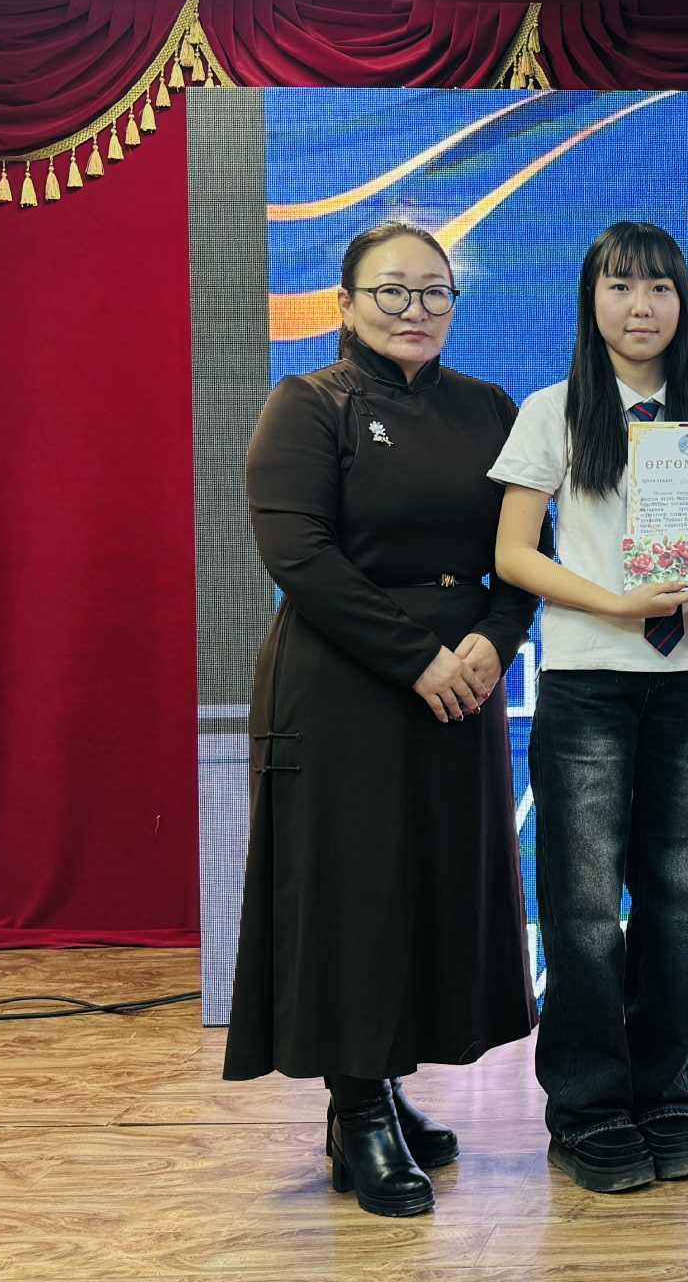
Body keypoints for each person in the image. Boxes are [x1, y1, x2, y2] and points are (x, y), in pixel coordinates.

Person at [224, 221, 541, 1219]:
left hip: (462, 681)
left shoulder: (489, 409)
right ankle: (357, 1109)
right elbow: (300, 558)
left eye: (434, 292)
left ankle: (383, 1085)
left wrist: (495, 640)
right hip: (343, 682)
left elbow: (526, 551)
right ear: (346, 303)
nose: (415, 310)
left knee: (426, 887)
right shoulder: (307, 404)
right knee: (353, 895)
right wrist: (416, 659)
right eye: (392, 291)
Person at [490, 221, 688, 1194]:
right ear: (591, 299)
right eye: (621, 287)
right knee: (587, 908)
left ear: (684, 303)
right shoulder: (552, 411)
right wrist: (613, 602)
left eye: (660, 288)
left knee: (683, 905)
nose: (642, 307)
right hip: (589, 681)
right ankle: (589, 1108)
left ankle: (665, 1095)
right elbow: (513, 554)